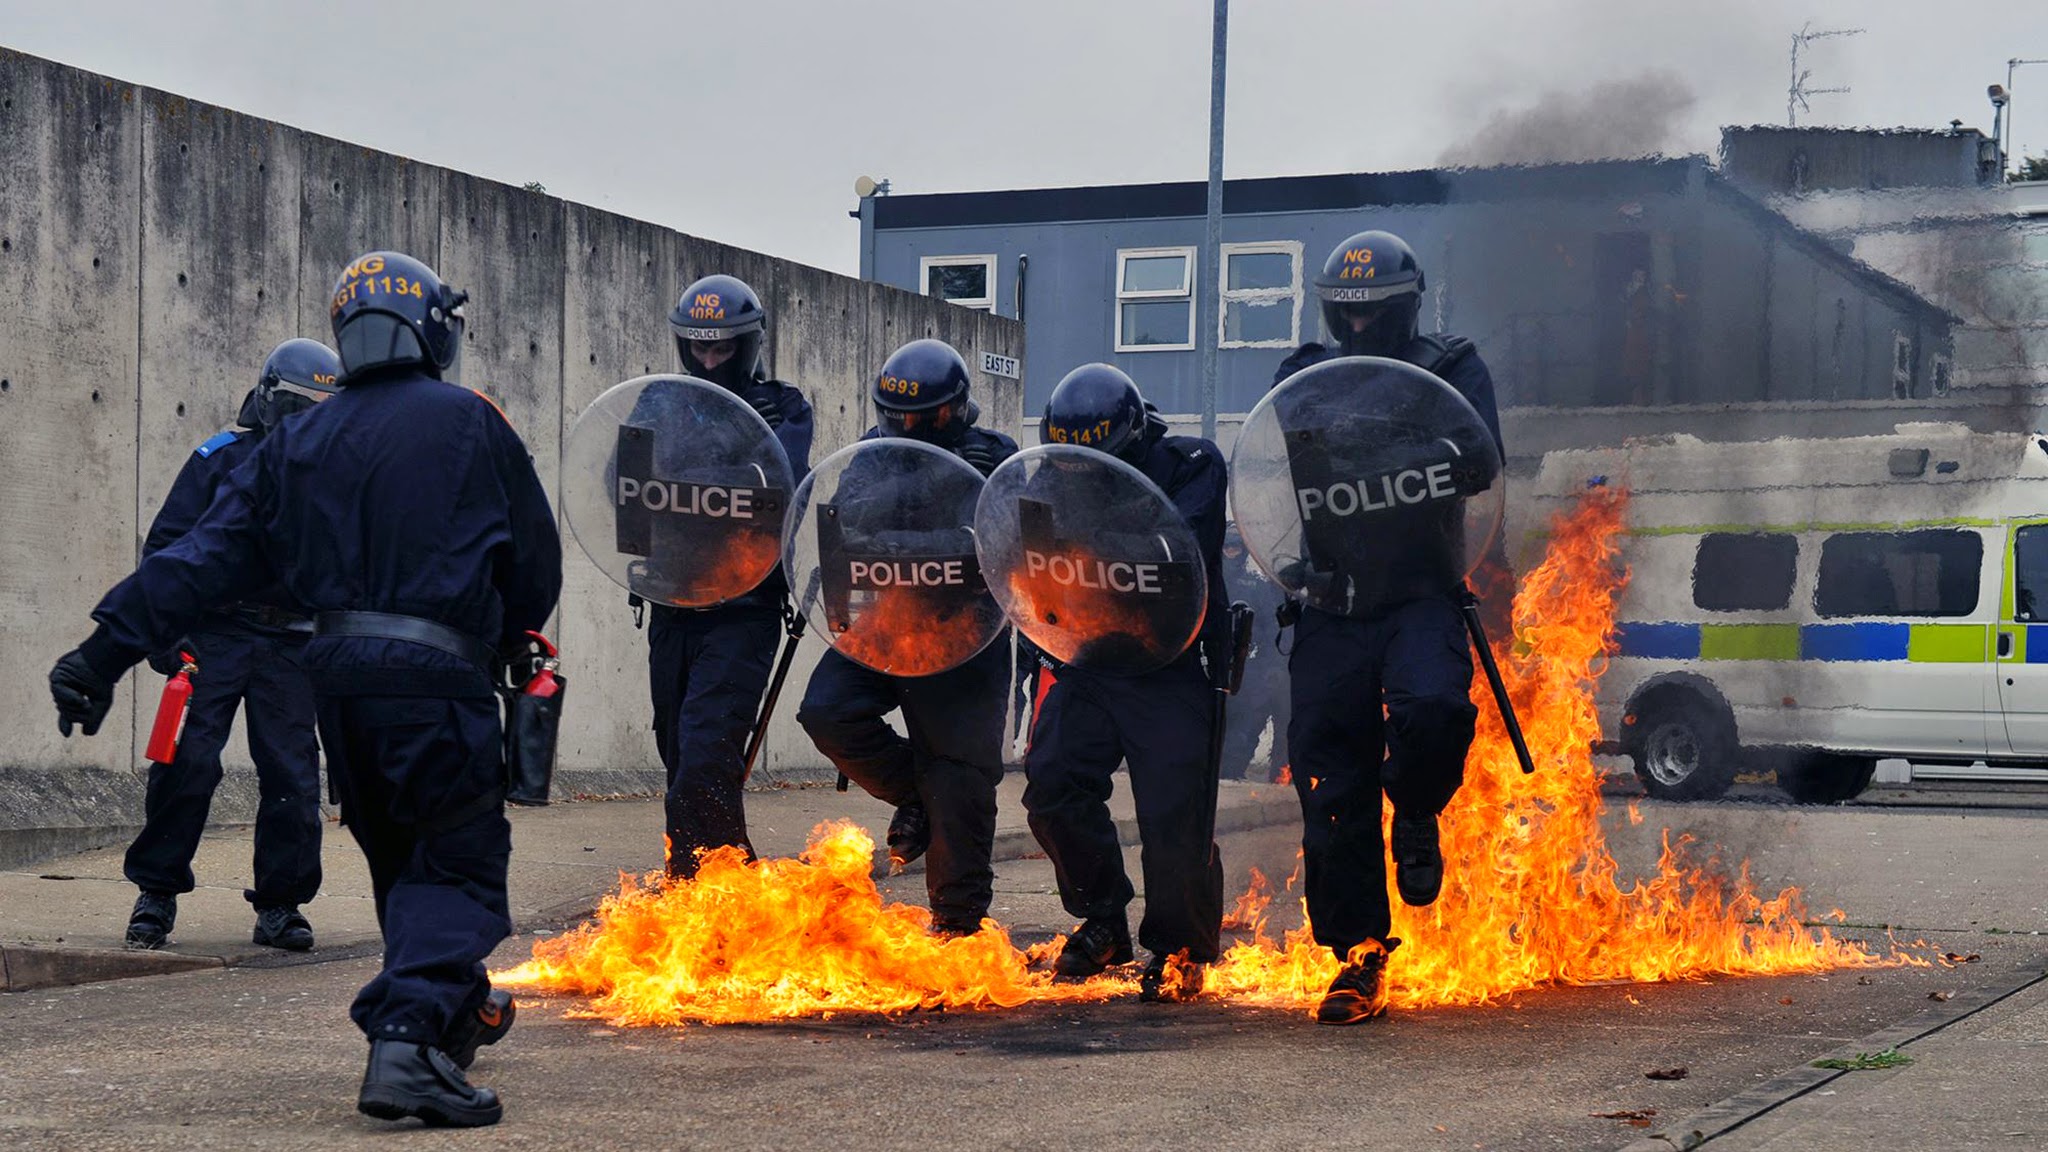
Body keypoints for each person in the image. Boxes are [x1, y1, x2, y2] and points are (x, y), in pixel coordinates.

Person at [48, 250, 561, 1126]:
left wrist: (99, 656)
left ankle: (448, 1016)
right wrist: (507, 640)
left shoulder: (294, 442)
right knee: (458, 860)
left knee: (403, 862)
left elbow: (196, 561)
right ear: (431, 329)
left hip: (334, 683)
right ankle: (403, 1042)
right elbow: (534, 565)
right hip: (435, 680)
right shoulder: (473, 420)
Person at [1274, 229, 1505, 1025]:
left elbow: (1478, 460)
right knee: (1330, 777)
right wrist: (1403, 439)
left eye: (1376, 313)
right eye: (1348, 314)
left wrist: (1370, 441)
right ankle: (1358, 954)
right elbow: (1298, 462)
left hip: (1421, 592)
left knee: (1436, 710)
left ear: (1407, 306)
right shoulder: (1302, 373)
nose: (1362, 328)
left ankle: (1413, 808)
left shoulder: (1452, 367)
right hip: (1333, 599)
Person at [120, 338, 340, 954]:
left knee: (293, 775)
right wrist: (169, 636)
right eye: (298, 408)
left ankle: (280, 905)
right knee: (186, 764)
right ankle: (156, 894)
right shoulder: (219, 460)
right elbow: (167, 546)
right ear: (268, 401)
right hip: (213, 634)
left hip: (293, 644)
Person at [795, 339, 1016, 936]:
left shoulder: (993, 456)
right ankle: (915, 797)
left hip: (965, 635)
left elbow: (997, 545)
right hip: (888, 622)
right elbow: (849, 524)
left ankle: (957, 925)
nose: (909, 425)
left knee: (961, 777)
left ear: (956, 407)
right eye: (898, 414)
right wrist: (922, 546)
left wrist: (909, 545)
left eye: (925, 414)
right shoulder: (874, 452)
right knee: (827, 710)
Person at [1022, 363, 1228, 1002]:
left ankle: (1180, 945)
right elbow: (1031, 552)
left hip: (1168, 661)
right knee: (1052, 786)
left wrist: (1086, 539)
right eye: (1070, 462)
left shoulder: (1192, 463)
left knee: (1173, 810)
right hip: (1086, 655)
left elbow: (1175, 549)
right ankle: (1102, 916)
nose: (1079, 474)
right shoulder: (1051, 471)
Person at [642, 274, 814, 878]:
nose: (709, 361)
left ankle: (700, 886)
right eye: (698, 349)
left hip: (745, 608)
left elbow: (775, 489)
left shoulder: (784, 408)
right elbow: (629, 484)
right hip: (673, 600)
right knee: (677, 750)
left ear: (748, 346)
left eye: (722, 349)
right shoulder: (656, 402)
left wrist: (696, 460)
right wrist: (732, 450)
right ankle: (718, 879)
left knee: (707, 752)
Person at [1217, 523, 1288, 782]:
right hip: (1211, 664)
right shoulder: (1210, 579)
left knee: (1243, 728)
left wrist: (1268, 666)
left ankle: (1231, 775)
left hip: (1247, 668)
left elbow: (1271, 628)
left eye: (1236, 546)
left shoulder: (1256, 586)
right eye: (1227, 546)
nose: (1231, 551)